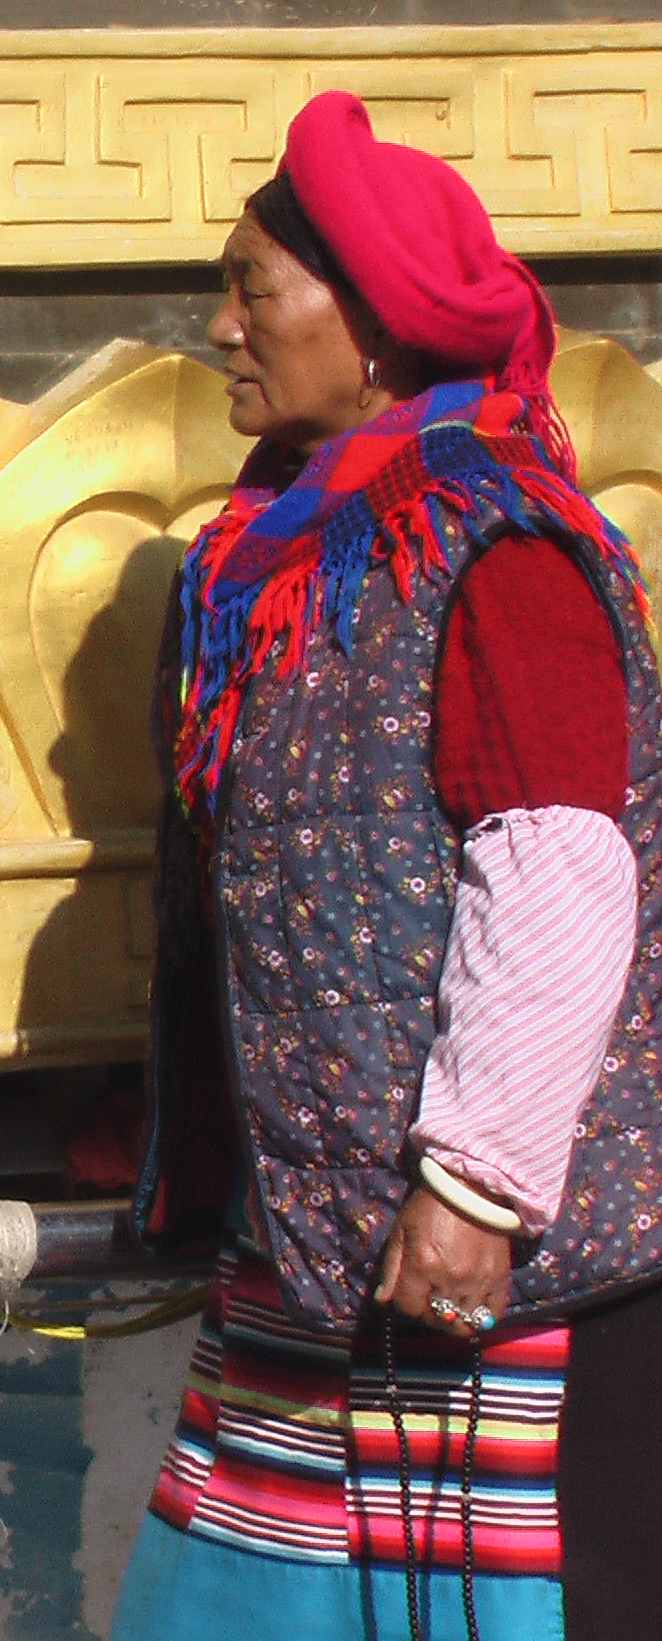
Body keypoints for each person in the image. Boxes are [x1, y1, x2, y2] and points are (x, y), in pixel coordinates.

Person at [111, 92, 662, 1641]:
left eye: (252, 288)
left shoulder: (498, 548)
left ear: (376, 322)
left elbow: (557, 867)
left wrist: (475, 1185)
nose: (221, 327)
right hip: (319, 1232)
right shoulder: (281, 555)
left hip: (487, 1250)